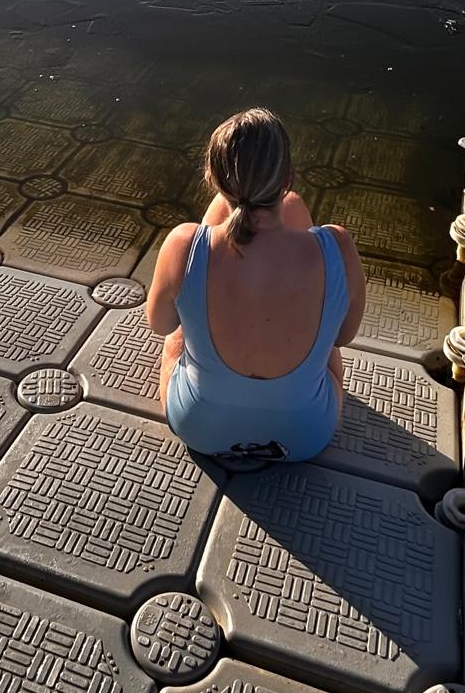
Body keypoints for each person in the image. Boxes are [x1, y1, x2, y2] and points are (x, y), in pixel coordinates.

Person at [147, 107, 365, 466]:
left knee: (176, 338)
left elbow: (160, 325)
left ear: (212, 178)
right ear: (288, 178)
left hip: (200, 429)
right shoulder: (338, 246)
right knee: (327, 347)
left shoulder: (182, 243)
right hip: (306, 435)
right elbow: (344, 336)